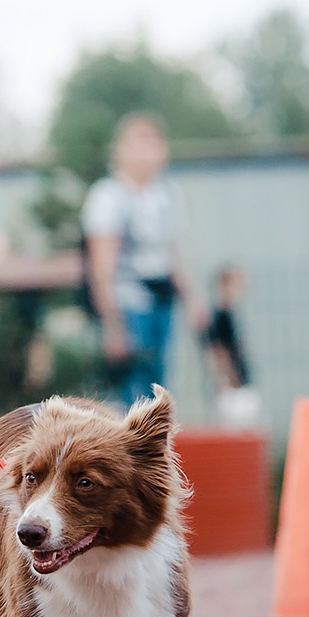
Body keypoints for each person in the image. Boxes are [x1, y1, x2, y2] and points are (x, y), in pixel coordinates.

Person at [81, 113, 191, 407]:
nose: (149, 152)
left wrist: (194, 302)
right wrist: (113, 325)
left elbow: (172, 255)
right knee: (133, 396)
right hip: (128, 305)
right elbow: (101, 266)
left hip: (161, 301)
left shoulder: (165, 196)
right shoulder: (109, 196)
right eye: (140, 143)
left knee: (159, 392)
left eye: (154, 143)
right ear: (121, 151)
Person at [201, 263, 257, 425]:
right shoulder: (220, 316)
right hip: (232, 385)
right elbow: (216, 351)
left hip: (237, 382)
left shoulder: (229, 314)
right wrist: (225, 379)